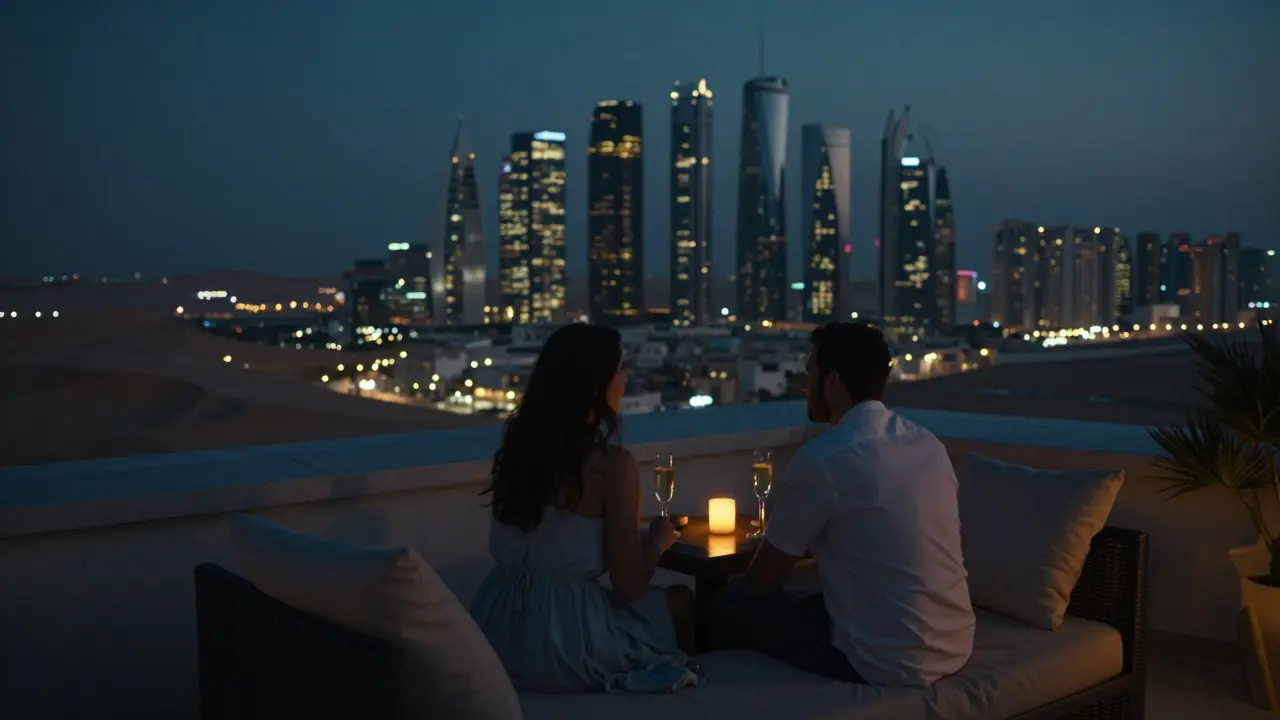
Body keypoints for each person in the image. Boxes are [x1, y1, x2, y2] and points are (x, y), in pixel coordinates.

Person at [709, 321, 975, 686]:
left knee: (727, 604)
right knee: (809, 601)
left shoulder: (824, 458)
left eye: (810, 373)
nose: (805, 386)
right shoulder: (926, 443)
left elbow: (763, 577)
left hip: (886, 660)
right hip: (955, 644)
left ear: (832, 382)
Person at [469, 323, 698, 693]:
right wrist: (657, 544)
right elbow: (627, 587)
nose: (625, 379)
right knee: (682, 601)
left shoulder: (518, 448)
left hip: (497, 627)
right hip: (566, 642)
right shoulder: (611, 465)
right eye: (620, 370)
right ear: (599, 385)